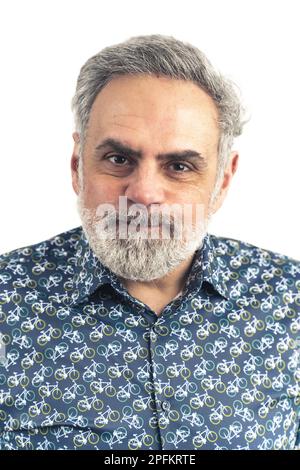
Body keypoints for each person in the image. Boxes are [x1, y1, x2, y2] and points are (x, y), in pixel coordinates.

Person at [0, 34, 299, 451]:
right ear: (76, 165)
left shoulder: (290, 298)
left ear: (222, 181)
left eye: (179, 166)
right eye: (119, 159)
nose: (143, 194)